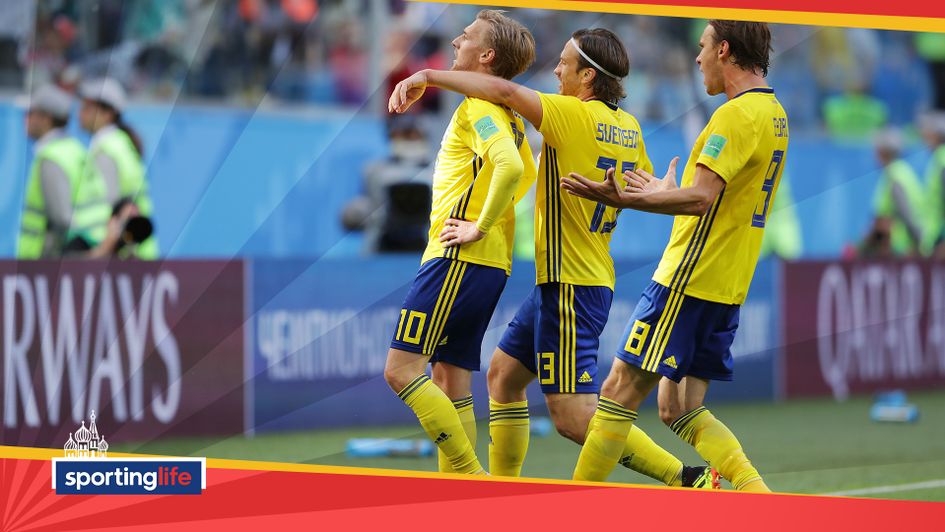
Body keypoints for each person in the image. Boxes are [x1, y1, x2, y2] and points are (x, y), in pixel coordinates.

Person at [391, 29, 717, 489]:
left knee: (571, 416)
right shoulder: (628, 127)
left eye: (564, 63)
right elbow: (645, 186)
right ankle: (502, 493)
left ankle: (685, 476)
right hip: (575, 277)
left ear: (588, 76)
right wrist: (664, 190)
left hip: (571, 285)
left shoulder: (569, 115)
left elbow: (503, 90)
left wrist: (427, 75)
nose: (556, 70)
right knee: (502, 376)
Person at [561, 20, 788, 493]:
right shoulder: (775, 114)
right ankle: (760, 501)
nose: (698, 58)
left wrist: (627, 200)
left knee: (617, 392)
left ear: (724, 50)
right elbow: (719, 196)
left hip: (688, 277)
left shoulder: (734, 115)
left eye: (703, 48)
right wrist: (669, 191)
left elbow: (703, 198)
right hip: (728, 282)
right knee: (678, 407)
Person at [381, 9, 537, 475]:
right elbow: (525, 171)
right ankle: (463, 496)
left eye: (466, 37)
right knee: (450, 380)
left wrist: (478, 224)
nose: (455, 41)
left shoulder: (479, 108)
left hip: (458, 257)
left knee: (400, 370)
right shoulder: (507, 113)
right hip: (487, 264)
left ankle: (473, 476)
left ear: (486, 56)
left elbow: (510, 168)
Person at [18, 84, 111, 259]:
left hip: (57, 261)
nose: (25, 119)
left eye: (30, 113)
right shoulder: (75, 149)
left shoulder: (51, 157)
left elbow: (61, 218)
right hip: (89, 249)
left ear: (47, 118)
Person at [78, 77, 160, 259]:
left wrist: (103, 251)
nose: (81, 113)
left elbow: (113, 204)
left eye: (88, 108)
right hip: (136, 248)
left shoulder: (107, 148)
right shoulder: (120, 143)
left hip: (125, 254)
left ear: (108, 114)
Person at [861, 129, 925, 258]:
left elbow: (905, 213)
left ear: (882, 151)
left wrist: (918, 244)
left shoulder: (894, 176)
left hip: (901, 249)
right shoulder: (903, 171)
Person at [919, 112, 945, 257]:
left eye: (928, 133)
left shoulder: (942, 160)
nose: (924, 137)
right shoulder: (938, 159)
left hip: (939, 238)